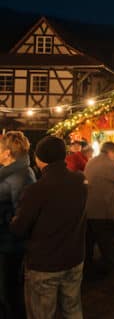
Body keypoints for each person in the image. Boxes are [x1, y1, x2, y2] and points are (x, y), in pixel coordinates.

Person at [11, 136, 87, 319]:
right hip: (74, 257)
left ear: (40, 158)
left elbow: (19, 228)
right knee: (73, 308)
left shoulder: (36, 190)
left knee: (41, 314)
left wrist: (12, 219)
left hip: (44, 263)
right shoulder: (80, 182)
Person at [0, 131, 36, 318]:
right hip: (8, 243)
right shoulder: (16, 172)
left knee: (10, 294)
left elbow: (21, 216)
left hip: (10, 245)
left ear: (7, 153)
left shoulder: (19, 176)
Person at [83, 142, 114, 277]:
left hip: (89, 208)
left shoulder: (91, 161)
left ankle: (88, 268)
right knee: (106, 241)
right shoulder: (111, 163)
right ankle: (108, 271)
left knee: (89, 242)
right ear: (111, 151)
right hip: (103, 208)